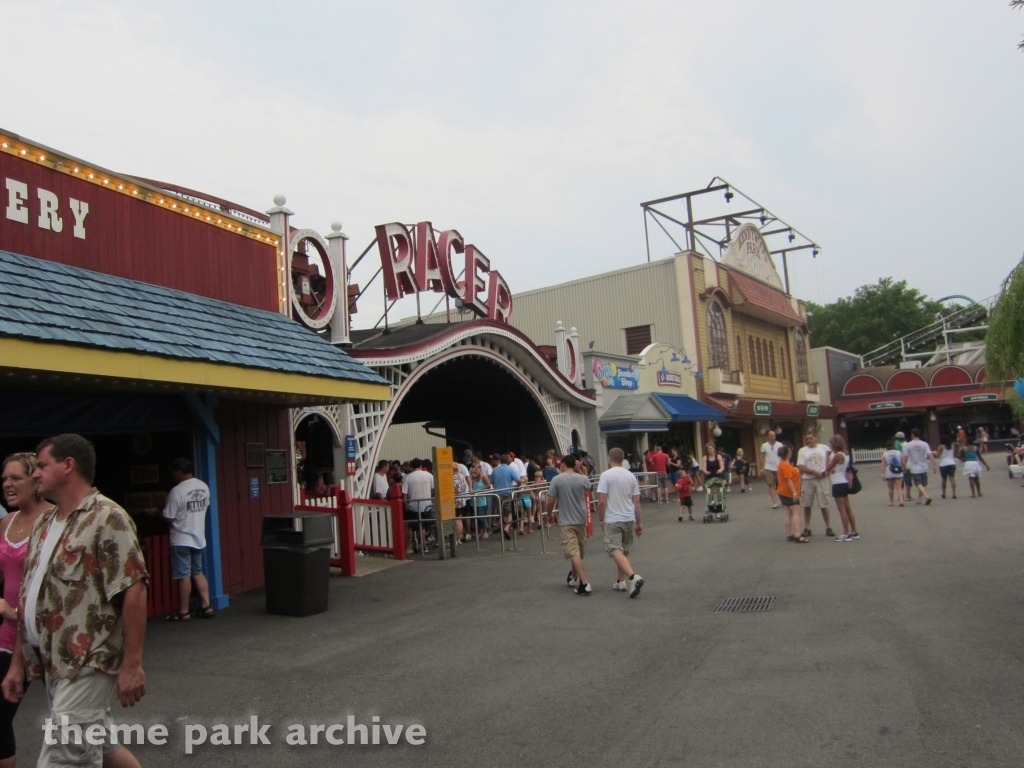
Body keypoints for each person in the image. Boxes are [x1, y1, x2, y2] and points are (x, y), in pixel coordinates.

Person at [3, 434, 148, 768]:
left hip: (87, 661)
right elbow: (31, 597)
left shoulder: (107, 517)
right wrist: (17, 665)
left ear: (68, 466)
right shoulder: (43, 523)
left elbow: (134, 589)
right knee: (106, 749)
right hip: (54, 664)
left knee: (63, 757)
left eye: (41, 466)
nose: (35, 474)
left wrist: (132, 664)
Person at [0, 453, 51, 767]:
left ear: (36, 481)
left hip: (48, 637)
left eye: (15, 478)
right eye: (4, 478)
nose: (7, 484)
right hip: (8, 636)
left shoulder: (54, 520)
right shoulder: (6, 522)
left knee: (80, 727)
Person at [156, 458, 213, 621]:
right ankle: (206, 605)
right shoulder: (203, 486)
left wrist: (157, 512)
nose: (173, 475)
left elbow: (168, 517)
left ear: (179, 471)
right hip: (199, 536)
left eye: (174, 472)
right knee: (198, 572)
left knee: (184, 575)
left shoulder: (177, 491)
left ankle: (184, 611)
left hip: (181, 538)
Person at [597, 448, 644, 597]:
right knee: (624, 550)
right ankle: (620, 580)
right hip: (629, 517)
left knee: (614, 549)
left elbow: (602, 500)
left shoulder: (606, 475)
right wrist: (639, 522)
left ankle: (632, 576)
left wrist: (600, 517)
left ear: (610, 458)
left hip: (613, 517)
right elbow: (636, 502)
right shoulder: (630, 476)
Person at [545, 455, 593, 596]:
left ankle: (585, 582)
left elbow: (550, 500)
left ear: (564, 464)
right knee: (577, 550)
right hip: (581, 519)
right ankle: (573, 575)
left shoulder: (557, 480)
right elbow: (588, 487)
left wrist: (549, 514)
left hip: (566, 520)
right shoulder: (583, 478)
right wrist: (579, 471)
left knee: (573, 551)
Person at [796, 430, 834, 538]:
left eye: (810, 438)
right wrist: (814, 472)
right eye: (807, 439)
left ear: (815, 437)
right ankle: (807, 527)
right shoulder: (802, 451)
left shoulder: (824, 449)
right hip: (808, 479)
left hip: (822, 479)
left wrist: (826, 473)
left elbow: (831, 463)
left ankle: (828, 527)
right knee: (807, 504)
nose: (809, 440)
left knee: (823, 504)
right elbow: (801, 466)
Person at [826, 436, 858, 542]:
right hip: (844, 481)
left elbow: (828, 468)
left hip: (837, 482)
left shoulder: (837, 455)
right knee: (848, 507)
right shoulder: (846, 453)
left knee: (842, 509)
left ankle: (846, 533)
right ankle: (854, 531)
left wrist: (827, 457)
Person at [402, 459, 435, 554]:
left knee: (414, 526)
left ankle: (417, 545)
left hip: (413, 505)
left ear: (412, 466)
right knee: (424, 526)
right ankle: (423, 544)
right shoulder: (429, 475)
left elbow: (404, 493)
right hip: (427, 505)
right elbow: (434, 489)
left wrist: (406, 504)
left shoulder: (408, 477)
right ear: (421, 465)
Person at [776, 445, 806, 543]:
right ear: (788, 454)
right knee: (796, 512)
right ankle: (797, 534)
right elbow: (789, 480)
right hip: (789, 492)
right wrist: (794, 493)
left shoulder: (782, 464)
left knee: (788, 512)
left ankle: (789, 534)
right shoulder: (786, 465)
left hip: (782, 491)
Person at [901, 428, 935, 505]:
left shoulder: (908, 445)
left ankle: (926, 496)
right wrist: (934, 465)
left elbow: (905, 458)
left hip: (914, 467)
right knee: (922, 483)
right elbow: (930, 455)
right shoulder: (924, 444)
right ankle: (919, 499)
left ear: (912, 435)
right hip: (924, 466)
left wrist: (904, 467)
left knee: (918, 483)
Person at [490, 455, 520, 540]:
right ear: (507, 461)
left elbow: (491, 481)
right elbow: (519, 480)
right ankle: (506, 528)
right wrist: (517, 487)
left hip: (497, 494)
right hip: (507, 493)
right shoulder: (510, 469)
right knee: (510, 511)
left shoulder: (495, 470)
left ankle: (506, 527)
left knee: (502, 512)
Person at [760, 430, 783, 509]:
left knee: (780, 485)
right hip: (768, 467)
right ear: (768, 436)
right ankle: (775, 502)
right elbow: (762, 457)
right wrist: (762, 468)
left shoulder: (780, 445)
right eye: (771, 436)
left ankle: (782, 499)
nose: (773, 437)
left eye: (774, 436)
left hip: (778, 467)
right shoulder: (764, 445)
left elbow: (783, 456)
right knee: (771, 485)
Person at [881, 439, 906, 507]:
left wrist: (883, 474)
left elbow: (883, 464)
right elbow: (903, 462)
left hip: (889, 472)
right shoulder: (899, 452)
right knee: (899, 487)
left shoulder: (884, 454)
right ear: (894, 445)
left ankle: (891, 502)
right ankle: (901, 501)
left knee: (890, 488)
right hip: (898, 471)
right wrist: (904, 468)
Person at [469, 464, 491, 539]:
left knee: (481, 517)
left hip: (481, 501)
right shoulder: (473, 478)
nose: (475, 471)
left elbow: (488, 486)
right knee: (476, 518)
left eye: (476, 469)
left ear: (480, 469)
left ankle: (485, 531)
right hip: (474, 501)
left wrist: (479, 490)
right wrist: (472, 474)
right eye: (474, 469)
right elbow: (469, 484)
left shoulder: (483, 477)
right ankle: (480, 531)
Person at [453, 464, 471, 543]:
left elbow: (457, 490)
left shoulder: (454, 478)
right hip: (463, 500)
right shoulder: (461, 476)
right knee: (459, 520)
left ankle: (456, 539)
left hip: (457, 501)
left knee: (457, 521)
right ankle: (458, 539)